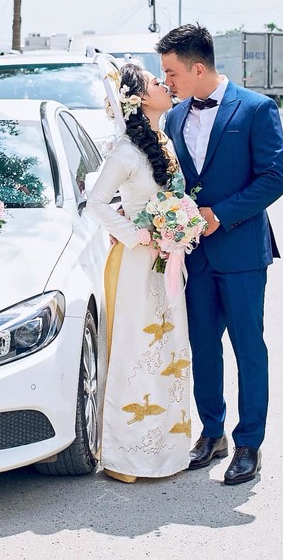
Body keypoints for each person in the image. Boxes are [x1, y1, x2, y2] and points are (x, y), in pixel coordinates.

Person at [158, 23, 283, 486]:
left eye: (171, 73)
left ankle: (249, 442)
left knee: (248, 349)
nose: (166, 82)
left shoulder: (256, 109)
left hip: (242, 253)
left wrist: (222, 215)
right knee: (203, 349)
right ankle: (212, 433)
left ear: (197, 68)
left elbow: (275, 177)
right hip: (194, 256)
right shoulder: (174, 118)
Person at [84, 63, 193, 483]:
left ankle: (165, 452)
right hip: (136, 263)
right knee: (137, 352)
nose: (165, 84)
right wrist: (136, 235)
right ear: (141, 98)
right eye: (155, 82)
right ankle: (127, 458)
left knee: (168, 353)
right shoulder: (126, 151)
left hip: (167, 261)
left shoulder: (164, 141)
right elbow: (96, 203)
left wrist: (178, 227)